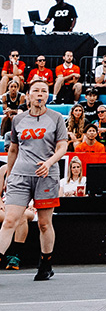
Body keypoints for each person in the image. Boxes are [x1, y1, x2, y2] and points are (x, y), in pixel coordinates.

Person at [0, 79, 69, 280]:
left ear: (48, 95)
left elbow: (62, 147)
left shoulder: (56, 118)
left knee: (44, 223)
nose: (40, 94)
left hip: (46, 175)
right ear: (28, 95)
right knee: (10, 220)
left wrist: (49, 163)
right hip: (21, 175)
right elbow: (13, 149)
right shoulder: (18, 120)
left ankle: (46, 263)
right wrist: (9, 174)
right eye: (36, 91)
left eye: (44, 91)